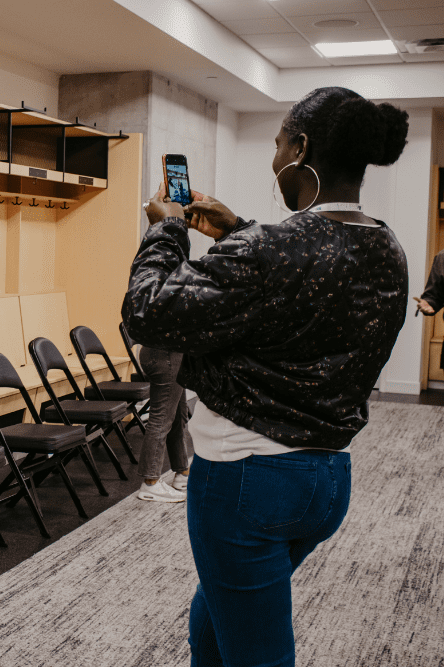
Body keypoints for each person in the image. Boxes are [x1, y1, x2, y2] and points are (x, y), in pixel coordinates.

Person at [122, 87, 410, 666]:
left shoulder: (270, 249)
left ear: (301, 149)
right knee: (216, 627)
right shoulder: (388, 247)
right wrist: (237, 230)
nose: (274, 159)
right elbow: (307, 284)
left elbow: (148, 311)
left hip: (247, 484)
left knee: (258, 654)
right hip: (327, 481)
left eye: (279, 144)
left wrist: (168, 228)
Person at [135, 344, 192, 503]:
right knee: (161, 418)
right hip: (166, 355)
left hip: (165, 353)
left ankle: (183, 474)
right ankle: (150, 483)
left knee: (179, 414)